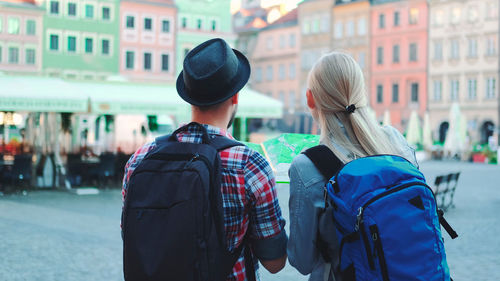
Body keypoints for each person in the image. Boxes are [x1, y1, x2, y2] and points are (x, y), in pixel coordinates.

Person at [122, 38, 288, 281]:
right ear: (236, 97)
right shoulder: (250, 165)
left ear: (189, 98)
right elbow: (275, 262)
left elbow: (131, 236)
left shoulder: (140, 159)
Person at [287, 52, 418, 281]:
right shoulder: (395, 140)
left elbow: (302, 261)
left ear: (310, 99)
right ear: (361, 93)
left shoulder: (307, 165)